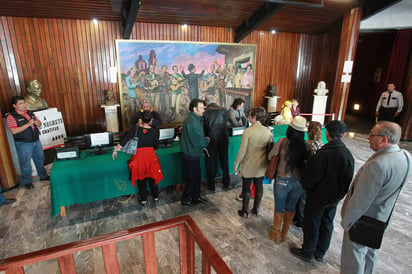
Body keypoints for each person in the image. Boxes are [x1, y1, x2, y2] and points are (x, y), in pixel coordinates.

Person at [340, 121, 411, 274]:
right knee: (370, 254)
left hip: (363, 220)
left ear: (384, 139)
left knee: (354, 258)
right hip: (382, 218)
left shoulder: (378, 165)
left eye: (372, 135)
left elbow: (361, 200)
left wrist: (347, 222)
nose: (368, 138)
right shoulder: (405, 156)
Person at [290, 120, 354, 262]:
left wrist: (307, 178)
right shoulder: (347, 154)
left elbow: (310, 178)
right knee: (327, 223)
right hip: (334, 198)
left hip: (318, 196)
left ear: (327, 133)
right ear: (343, 135)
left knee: (312, 223)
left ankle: (308, 251)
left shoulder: (323, 154)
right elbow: (348, 180)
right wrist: (339, 196)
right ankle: (320, 252)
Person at [267, 116, 313, 244]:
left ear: (290, 129)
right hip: (298, 182)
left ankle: (275, 233)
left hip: (282, 179)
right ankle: (284, 234)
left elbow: (271, 156)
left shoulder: (282, 141)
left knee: (279, 207)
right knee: (291, 208)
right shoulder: (306, 145)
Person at [112, 110, 164, 207]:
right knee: (152, 177)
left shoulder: (135, 129)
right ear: (151, 120)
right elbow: (156, 146)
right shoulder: (155, 131)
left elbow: (125, 139)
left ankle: (144, 200)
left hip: (139, 158)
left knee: (141, 179)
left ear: (141, 119)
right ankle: (156, 197)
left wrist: (116, 149)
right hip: (151, 157)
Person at [234, 107, 273, 218]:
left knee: (246, 186)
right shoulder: (268, 131)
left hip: (249, 164)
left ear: (254, 118)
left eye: (250, 116)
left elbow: (242, 151)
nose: (248, 117)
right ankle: (256, 209)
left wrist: (237, 162)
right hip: (261, 165)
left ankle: (244, 211)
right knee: (259, 185)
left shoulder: (248, 131)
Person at [6, 96, 49, 189]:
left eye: (23, 103)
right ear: (14, 106)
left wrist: (37, 123)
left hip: (36, 141)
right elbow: (14, 131)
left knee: (40, 159)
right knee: (25, 163)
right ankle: (27, 182)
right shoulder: (11, 117)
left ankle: (43, 176)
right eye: (20, 103)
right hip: (23, 144)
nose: (23, 105)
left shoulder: (30, 113)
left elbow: (39, 123)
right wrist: (28, 124)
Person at [180, 99, 210, 206]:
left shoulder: (194, 119)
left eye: (204, 108)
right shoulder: (193, 121)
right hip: (191, 154)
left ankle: (196, 197)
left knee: (196, 177)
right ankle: (186, 199)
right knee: (192, 178)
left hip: (193, 153)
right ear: (194, 109)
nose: (203, 110)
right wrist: (207, 140)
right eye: (201, 108)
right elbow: (198, 141)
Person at [294, 121, 323, 227]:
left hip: (306, 175)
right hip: (317, 176)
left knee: (302, 198)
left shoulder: (307, 144)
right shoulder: (322, 144)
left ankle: (300, 220)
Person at [203, 96, 230, 191]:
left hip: (211, 140)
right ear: (215, 101)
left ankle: (211, 185)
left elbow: (203, 128)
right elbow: (227, 123)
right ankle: (226, 182)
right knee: (224, 161)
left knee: (211, 163)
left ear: (206, 103)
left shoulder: (205, 112)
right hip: (223, 139)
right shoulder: (224, 110)